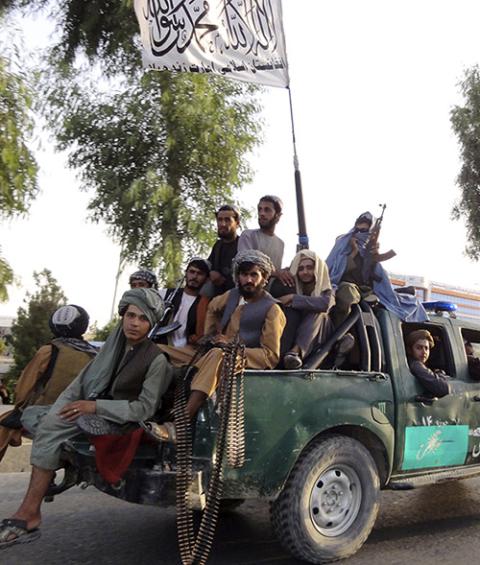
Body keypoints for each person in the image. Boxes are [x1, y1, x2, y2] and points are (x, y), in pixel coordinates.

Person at [0, 288, 173, 548]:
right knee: (36, 416)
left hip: (120, 419)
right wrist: (63, 408)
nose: (134, 323)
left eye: (143, 319)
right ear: (123, 316)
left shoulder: (156, 360)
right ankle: (50, 472)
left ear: (150, 324)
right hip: (93, 408)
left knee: (49, 431)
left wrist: (95, 407)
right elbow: (79, 384)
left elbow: (143, 410)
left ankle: (29, 514)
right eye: (130, 315)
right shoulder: (113, 347)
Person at [144, 250, 286, 443]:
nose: (248, 280)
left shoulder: (272, 309)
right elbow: (212, 307)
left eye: (254, 275)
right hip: (212, 351)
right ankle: (143, 409)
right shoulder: (233, 295)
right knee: (156, 350)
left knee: (219, 355)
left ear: (264, 279)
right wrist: (209, 334)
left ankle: (180, 425)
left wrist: (233, 347)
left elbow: (270, 356)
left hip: (238, 357)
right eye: (244, 275)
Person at [0, 305, 97, 464]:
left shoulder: (49, 351)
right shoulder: (93, 354)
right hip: (81, 416)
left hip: (46, 412)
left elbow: (23, 388)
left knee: (4, 424)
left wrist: (20, 407)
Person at [326, 212, 427, 326]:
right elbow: (336, 270)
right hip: (345, 285)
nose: (359, 234)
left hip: (367, 290)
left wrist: (374, 256)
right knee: (347, 294)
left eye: (363, 231)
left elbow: (378, 276)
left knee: (407, 301)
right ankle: (339, 332)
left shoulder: (369, 249)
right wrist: (353, 253)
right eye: (357, 230)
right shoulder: (343, 245)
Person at [270, 250, 334, 369]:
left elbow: (324, 304)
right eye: (301, 269)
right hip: (298, 331)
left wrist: (294, 298)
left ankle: (295, 352)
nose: (305, 272)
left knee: (318, 313)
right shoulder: (294, 286)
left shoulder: (327, 289)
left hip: (320, 335)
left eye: (309, 267)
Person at [237, 195, 294, 286]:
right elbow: (247, 265)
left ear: (278, 216)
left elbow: (276, 273)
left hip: (270, 292)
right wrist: (277, 273)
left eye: (267, 210)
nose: (262, 213)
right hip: (249, 290)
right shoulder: (248, 235)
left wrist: (285, 272)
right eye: (260, 209)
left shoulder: (280, 243)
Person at [156, 257, 211, 348]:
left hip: (185, 351)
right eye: (192, 272)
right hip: (158, 345)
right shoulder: (165, 294)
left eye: (200, 274)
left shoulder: (205, 304)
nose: (194, 277)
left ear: (206, 279)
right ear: (186, 273)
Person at [203, 205, 240, 297]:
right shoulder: (218, 245)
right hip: (215, 298)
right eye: (220, 220)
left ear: (237, 223)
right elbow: (208, 266)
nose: (223, 224)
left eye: (227, 220)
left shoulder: (243, 245)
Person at [406, 329, 450, 397]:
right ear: (410, 350)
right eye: (419, 348)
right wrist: (440, 374)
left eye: (426, 348)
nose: (424, 352)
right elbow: (443, 389)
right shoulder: (415, 365)